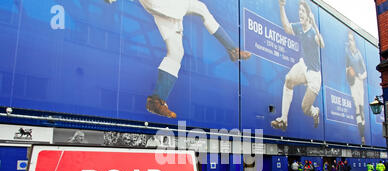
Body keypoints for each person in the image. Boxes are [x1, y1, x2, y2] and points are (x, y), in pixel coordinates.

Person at [105, 0, 251, 118]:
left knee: (176, 52)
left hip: (170, 6)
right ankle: (233, 50)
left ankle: (156, 101)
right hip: (168, 5)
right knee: (200, 12)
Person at [271, 0, 324, 131]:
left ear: (308, 15)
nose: (300, 13)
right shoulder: (299, 27)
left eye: (303, 11)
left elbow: (322, 43)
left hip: (314, 75)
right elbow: (287, 27)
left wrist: (315, 25)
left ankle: (314, 111)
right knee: (288, 79)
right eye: (299, 10)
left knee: (305, 109)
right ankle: (283, 119)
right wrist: (281, 6)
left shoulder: (313, 32)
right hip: (304, 65)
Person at [345, 30, 367, 145]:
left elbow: (365, 72)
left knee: (361, 107)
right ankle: (361, 135)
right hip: (353, 83)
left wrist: (360, 76)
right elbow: (346, 68)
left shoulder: (359, 54)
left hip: (359, 82)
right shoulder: (347, 53)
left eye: (352, 40)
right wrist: (349, 74)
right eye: (349, 40)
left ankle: (363, 129)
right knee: (357, 108)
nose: (350, 42)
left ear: (355, 41)